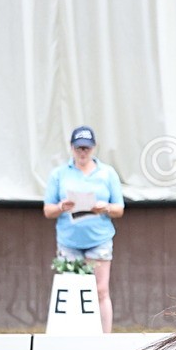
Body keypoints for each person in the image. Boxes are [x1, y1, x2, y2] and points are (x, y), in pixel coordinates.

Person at [43, 126, 125, 333]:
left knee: (100, 290)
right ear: (71, 148)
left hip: (99, 239)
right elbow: (48, 210)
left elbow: (119, 209)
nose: (82, 152)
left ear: (93, 148)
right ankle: (71, 336)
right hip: (69, 241)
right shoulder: (59, 174)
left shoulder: (107, 173)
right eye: (79, 148)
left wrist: (105, 207)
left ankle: (104, 339)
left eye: (86, 148)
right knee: (71, 290)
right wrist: (61, 207)